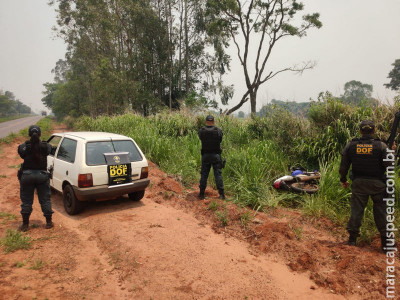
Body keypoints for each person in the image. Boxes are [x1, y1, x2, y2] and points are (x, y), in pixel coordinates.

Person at [339, 120, 393, 251]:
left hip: (359, 184)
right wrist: (392, 152)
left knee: (356, 211)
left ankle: (352, 240)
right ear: (374, 131)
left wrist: (343, 179)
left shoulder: (351, 145)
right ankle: (386, 244)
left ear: (360, 131)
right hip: (378, 185)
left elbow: (344, 165)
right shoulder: (381, 146)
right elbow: (390, 165)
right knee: (381, 213)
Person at [17, 125, 53, 231]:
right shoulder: (46, 146)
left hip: (27, 176)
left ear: (29, 134)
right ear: (40, 134)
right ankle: (49, 222)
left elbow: (21, 153)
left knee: (27, 201)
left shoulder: (24, 146)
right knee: (45, 199)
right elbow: (49, 150)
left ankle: (25, 225)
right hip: (42, 176)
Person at [198, 115, 225, 200]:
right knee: (218, 175)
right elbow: (220, 140)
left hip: (205, 156)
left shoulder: (201, 131)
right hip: (215, 156)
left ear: (206, 122)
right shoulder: (218, 130)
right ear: (213, 122)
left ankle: (201, 194)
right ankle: (221, 195)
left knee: (204, 175)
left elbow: (200, 138)